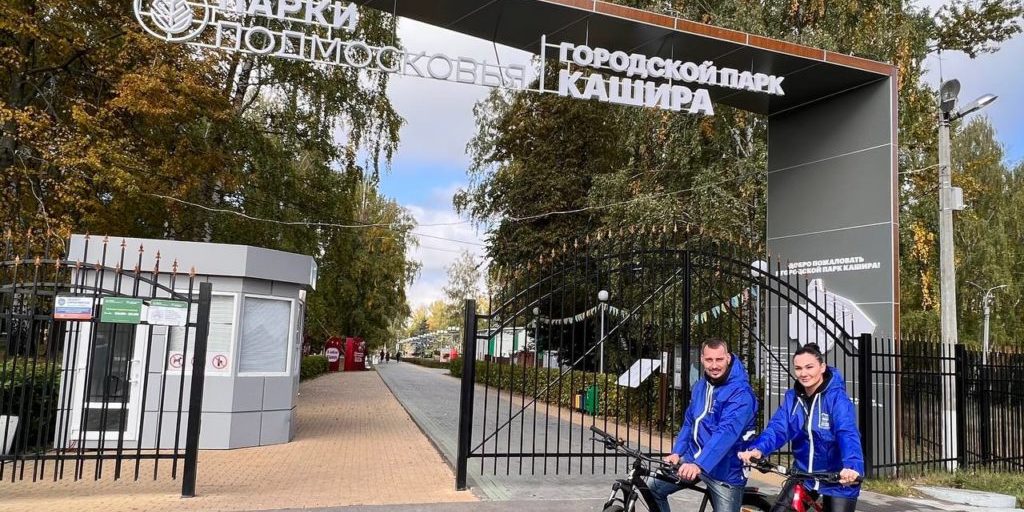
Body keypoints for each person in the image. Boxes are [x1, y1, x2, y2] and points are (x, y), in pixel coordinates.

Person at [737, 343, 864, 512]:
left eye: (809, 367)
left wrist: (852, 467)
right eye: (798, 368)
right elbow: (778, 428)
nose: (803, 373)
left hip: (837, 478)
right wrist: (758, 449)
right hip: (803, 475)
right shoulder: (793, 398)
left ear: (822, 367)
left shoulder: (837, 399)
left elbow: (846, 433)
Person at [648, 338, 758, 512]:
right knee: (652, 488)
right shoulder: (701, 386)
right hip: (694, 459)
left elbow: (726, 433)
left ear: (728, 358)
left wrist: (699, 464)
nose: (714, 365)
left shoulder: (741, 393)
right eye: (709, 360)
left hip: (726, 470)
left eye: (719, 359)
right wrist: (677, 452)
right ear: (701, 359)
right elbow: (690, 422)